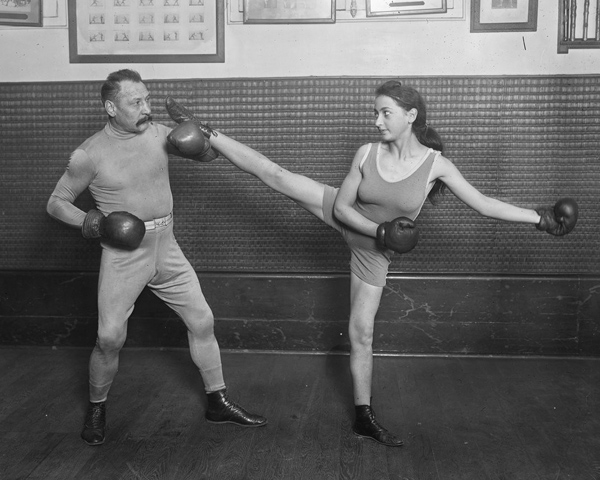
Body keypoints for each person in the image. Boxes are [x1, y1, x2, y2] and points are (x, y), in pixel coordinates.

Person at [164, 80, 578, 448]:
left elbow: (484, 205)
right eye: (374, 112)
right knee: (275, 173)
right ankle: (209, 133)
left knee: (360, 333)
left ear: (410, 116)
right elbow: (343, 207)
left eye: (385, 112)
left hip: (371, 254)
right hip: (353, 222)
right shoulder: (367, 153)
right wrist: (379, 231)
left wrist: (539, 218)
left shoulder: (437, 166)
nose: (377, 120)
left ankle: (363, 417)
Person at [46, 69, 267, 447]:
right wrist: (95, 224)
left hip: (167, 244)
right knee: (109, 338)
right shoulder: (89, 153)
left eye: (148, 99)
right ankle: (97, 408)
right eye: (137, 102)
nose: (147, 108)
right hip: (124, 254)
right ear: (111, 107)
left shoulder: (159, 133)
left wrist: (197, 133)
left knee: (202, 320)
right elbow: (56, 204)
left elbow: (209, 156)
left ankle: (218, 401)